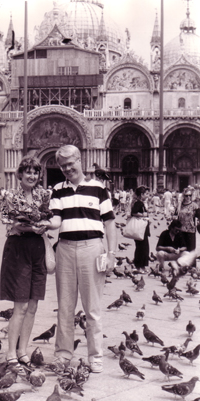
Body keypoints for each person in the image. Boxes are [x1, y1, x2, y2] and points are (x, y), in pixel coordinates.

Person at [47, 145, 117, 373]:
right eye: (63, 165)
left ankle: (95, 356)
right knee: (65, 307)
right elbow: (55, 220)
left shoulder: (98, 189)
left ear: (80, 160)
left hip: (92, 248)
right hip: (65, 248)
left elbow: (109, 223)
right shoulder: (57, 190)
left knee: (92, 307)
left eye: (71, 163)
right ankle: (63, 354)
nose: (67, 169)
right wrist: (38, 222)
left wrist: (111, 253)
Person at [0, 156, 50, 371]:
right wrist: (32, 228)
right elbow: (8, 222)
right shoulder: (10, 195)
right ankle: (11, 352)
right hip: (18, 248)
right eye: (27, 171)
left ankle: (23, 350)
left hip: (38, 248)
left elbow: (50, 217)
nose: (31, 175)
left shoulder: (43, 195)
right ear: (19, 174)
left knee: (33, 305)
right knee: (20, 305)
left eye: (35, 172)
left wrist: (46, 224)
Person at [131, 185, 150, 273]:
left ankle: (141, 266)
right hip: (140, 229)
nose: (147, 195)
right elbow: (134, 212)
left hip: (141, 229)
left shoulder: (139, 202)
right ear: (141, 194)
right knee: (142, 248)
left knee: (142, 247)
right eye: (146, 194)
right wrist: (144, 215)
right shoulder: (138, 203)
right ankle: (140, 266)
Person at [176, 187, 200, 253]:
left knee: (191, 251)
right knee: (182, 251)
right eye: (186, 195)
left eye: (190, 195)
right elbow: (175, 216)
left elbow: (199, 217)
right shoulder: (179, 205)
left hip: (190, 231)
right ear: (183, 196)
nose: (188, 197)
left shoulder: (195, 205)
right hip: (180, 230)